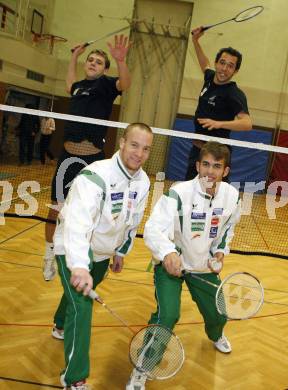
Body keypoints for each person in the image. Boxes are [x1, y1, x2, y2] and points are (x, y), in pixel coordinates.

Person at [126, 141, 241, 390]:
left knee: (218, 312)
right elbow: (153, 228)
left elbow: (227, 230)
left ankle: (215, 334)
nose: (210, 171)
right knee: (167, 315)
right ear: (198, 165)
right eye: (206, 164)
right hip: (172, 266)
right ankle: (143, 368)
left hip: (203, 267)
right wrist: (168, 253)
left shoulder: (232, 197)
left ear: (226, 171)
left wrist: (220, 251)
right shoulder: (178, 193)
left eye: (217, 166)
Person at [52, 123, 153, 390]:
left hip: (103, 253)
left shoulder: (143, 181)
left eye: (145, 149)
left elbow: (133, 220)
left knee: (77, 298)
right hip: (74, 247)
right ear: (121, 143)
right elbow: (77, 224)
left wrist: (121, 251)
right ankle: (74, 378)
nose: (139, 154)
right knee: (82, 307)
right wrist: (79, 265)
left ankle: (59, 323)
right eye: (134, 145)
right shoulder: (94, 176)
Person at [43, 34, 131, 281]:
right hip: (67, 158)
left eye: (98, 62)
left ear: (104, 69)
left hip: (92, 161)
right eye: (90, 60)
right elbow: (68, 83)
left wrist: (121, 61)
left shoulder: (105, 86)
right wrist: (73, 56)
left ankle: (86, 257)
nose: (92, 63)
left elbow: (125, 84)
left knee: (92, 212)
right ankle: (49, 256)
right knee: (55, 210)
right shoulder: (78, 87)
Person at [185, 27, 252, 180]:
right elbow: (204, 64)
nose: (224, 68)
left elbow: (247, 123)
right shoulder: (210, 77)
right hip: (197, 151)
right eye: (222, 63)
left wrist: (218, 124)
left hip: (217, 157)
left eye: (230, 66)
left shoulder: (233, 93)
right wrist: (195, 40)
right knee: (189, 192)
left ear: (235, 71)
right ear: (216, 63)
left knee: (214, 197)